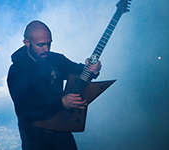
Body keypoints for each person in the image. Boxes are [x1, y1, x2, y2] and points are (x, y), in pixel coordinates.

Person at [7, 20, 101, 150]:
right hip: (35, 137)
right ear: (27, 43)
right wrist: (61, 103)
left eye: (49, 44)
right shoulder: (17, 71)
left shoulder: (55, 59)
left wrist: (92, 70)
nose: (46, 49)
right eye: (40, 45)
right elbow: (25, 111)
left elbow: (80, 73)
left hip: (62, 130)